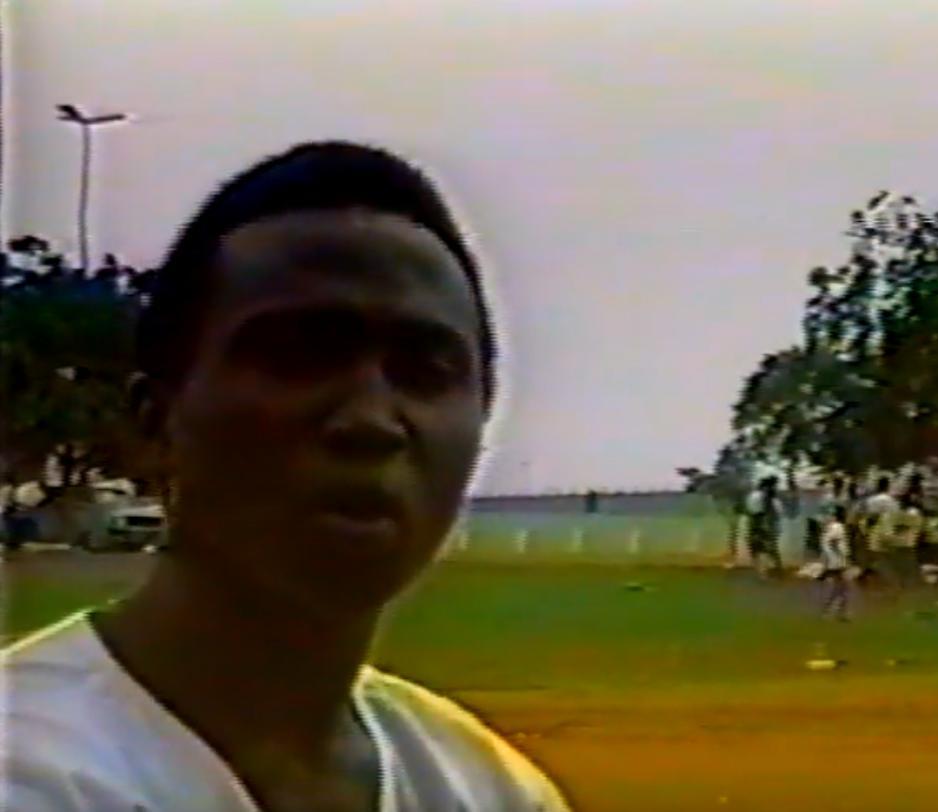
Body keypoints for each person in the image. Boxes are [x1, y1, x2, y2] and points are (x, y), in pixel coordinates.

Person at [2, 142, 570, 811]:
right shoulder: (32, 771)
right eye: (298, 357)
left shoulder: (488, 789)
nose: (371, 421)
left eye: (427, 371)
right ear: (155, 423)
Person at [819, 505, 853, 621]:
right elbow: (832, 541)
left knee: (840, 588)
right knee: (843, 588)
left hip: (834, 562)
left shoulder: (830, 527)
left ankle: (837, 612)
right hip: (838, 562)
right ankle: (836, 613)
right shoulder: (838, 527)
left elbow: (827, 542)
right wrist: (843, 559)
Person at [745, 476, 784, 575]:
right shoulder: (767, 497)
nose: (775, 488)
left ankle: (763, 569)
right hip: (764, 521)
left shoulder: (755, 495)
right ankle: (775, 568)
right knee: (768, 546)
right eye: (774, 486)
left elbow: (749, 510)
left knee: (757, 546)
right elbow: (775, 512)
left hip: (757, 521)